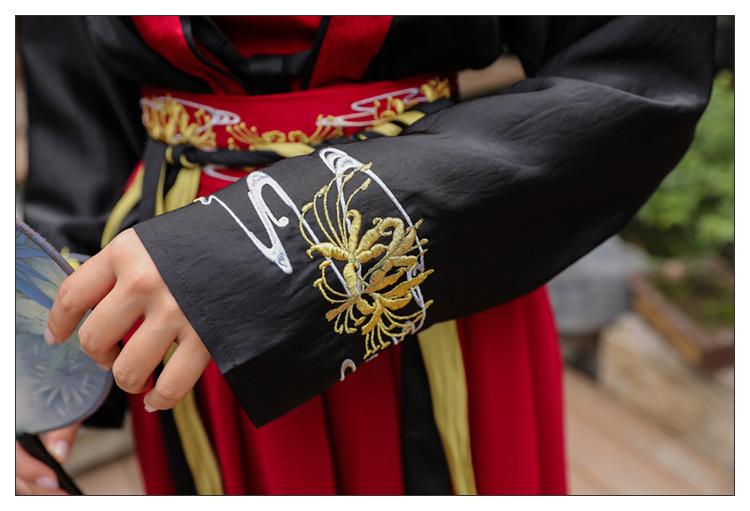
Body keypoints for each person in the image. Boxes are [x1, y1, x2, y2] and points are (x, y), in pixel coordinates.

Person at [16, 15, 714, 495]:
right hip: (161, 300)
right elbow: (80, 109)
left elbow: (635, 68)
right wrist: (46, 346)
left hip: (428, 257)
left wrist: (249, 253)